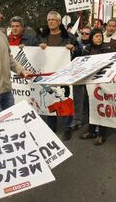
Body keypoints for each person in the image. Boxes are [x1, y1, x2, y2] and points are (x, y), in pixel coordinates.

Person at [34, 10, 80, 141]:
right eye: (48, 20)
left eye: (53, 20)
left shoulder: (69, 37)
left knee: (66, 99)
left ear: (59, 22)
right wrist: (39, 47)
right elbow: (32, 51)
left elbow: (80, 52)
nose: (50, 22)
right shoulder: (42, 37)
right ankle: (51, 126)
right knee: (50, 98)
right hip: (48, 74)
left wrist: (74, 49)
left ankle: (67, 128)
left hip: (65, 75)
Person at [79, 28, 111, 145]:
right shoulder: (87, 50)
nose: (99, 38)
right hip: (89, 84)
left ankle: (102, 134)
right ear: (91, 38)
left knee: (101, 108)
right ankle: (91, 131)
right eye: (97, 36)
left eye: (101, 36)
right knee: (90, 108)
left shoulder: (106, 50)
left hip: (102, 84)